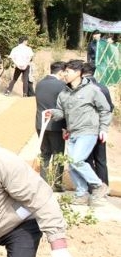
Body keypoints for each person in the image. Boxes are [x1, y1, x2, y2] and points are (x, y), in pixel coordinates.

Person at [45, 60, 111, 206]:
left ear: (77, 72)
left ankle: (98, 185)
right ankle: (82, 194)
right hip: (73, 132)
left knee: (76, 160)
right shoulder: (64, 93)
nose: (64, 74)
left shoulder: (92, 90)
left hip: (88, 131)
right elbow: (62, 112)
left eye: (67, 71)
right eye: (64, 71)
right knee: (71, 164)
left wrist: (103, 129)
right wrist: (53, 113)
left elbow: (105, 110)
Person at [34, 62, 67, 190]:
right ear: (61, 72)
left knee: (45, 153)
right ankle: (57, 183)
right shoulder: (62, 85)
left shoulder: (40, 84)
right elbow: (64, 107)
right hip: (56, 125)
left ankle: (43, 183)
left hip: (40, 123)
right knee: (58, 154)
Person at [82, 61, 114, 189]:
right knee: (101, 160)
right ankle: (104, 187)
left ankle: (92, 187)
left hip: (85, 129)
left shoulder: (82, 89)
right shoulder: (103, 88)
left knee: (87, 158)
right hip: (101, 129)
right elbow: (110, 108)